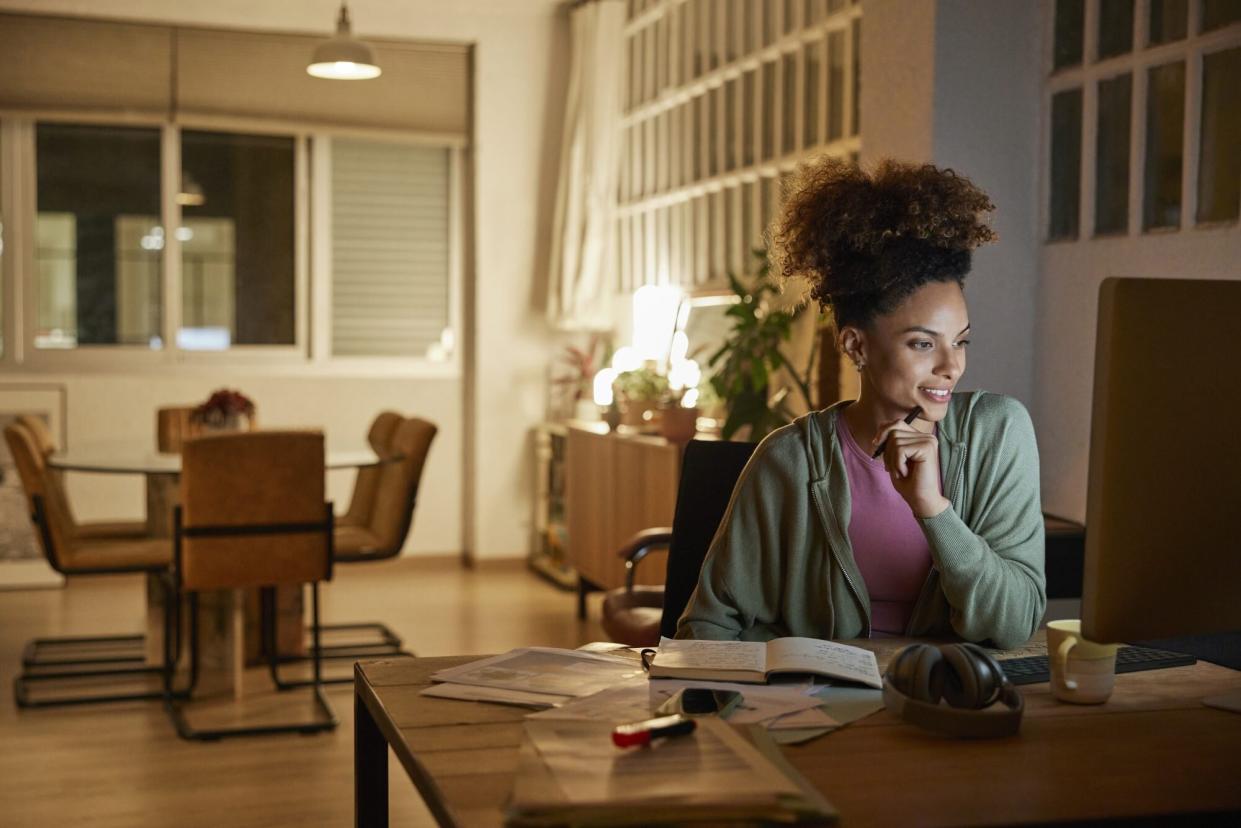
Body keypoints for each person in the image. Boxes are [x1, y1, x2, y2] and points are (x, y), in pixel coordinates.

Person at [676, 158, 1045, 650]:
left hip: (949, 707)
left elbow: (1014, 625)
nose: (951, 366)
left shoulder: (998, 434)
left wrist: (933, 509)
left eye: (961, 341)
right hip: (818, 711)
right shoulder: (788, 461)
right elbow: (706, 627)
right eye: (922, 344)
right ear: (856, 346)